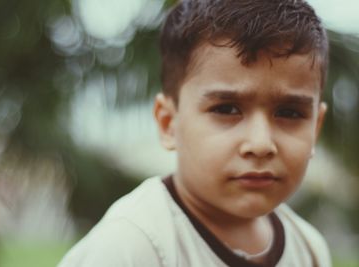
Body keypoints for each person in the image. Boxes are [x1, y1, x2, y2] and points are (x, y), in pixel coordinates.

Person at [59, 0, 331, 266]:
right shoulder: (132, 246)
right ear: (168, 123)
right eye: (226, 109)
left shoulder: (309, 249)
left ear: (315, 128)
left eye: (290, 113)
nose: (260, 144)